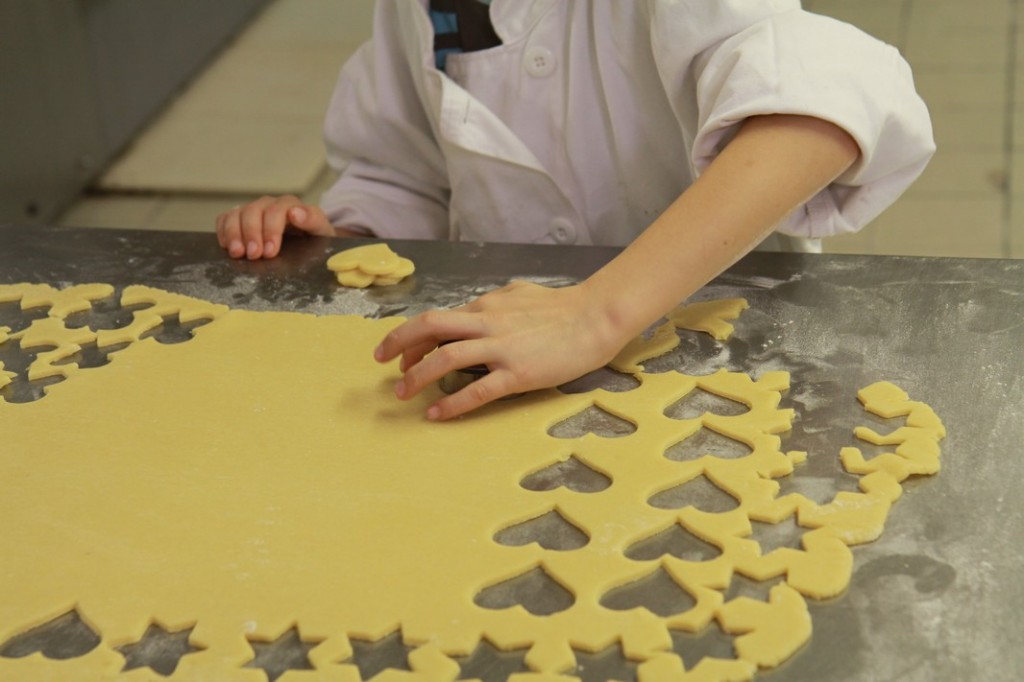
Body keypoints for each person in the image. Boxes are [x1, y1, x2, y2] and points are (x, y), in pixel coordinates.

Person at [214, 0, 934, 421]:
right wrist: (346, 238)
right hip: (500, 370)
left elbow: (822, 105)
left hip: (721, 361)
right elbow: (404, 167)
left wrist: (600, 313)